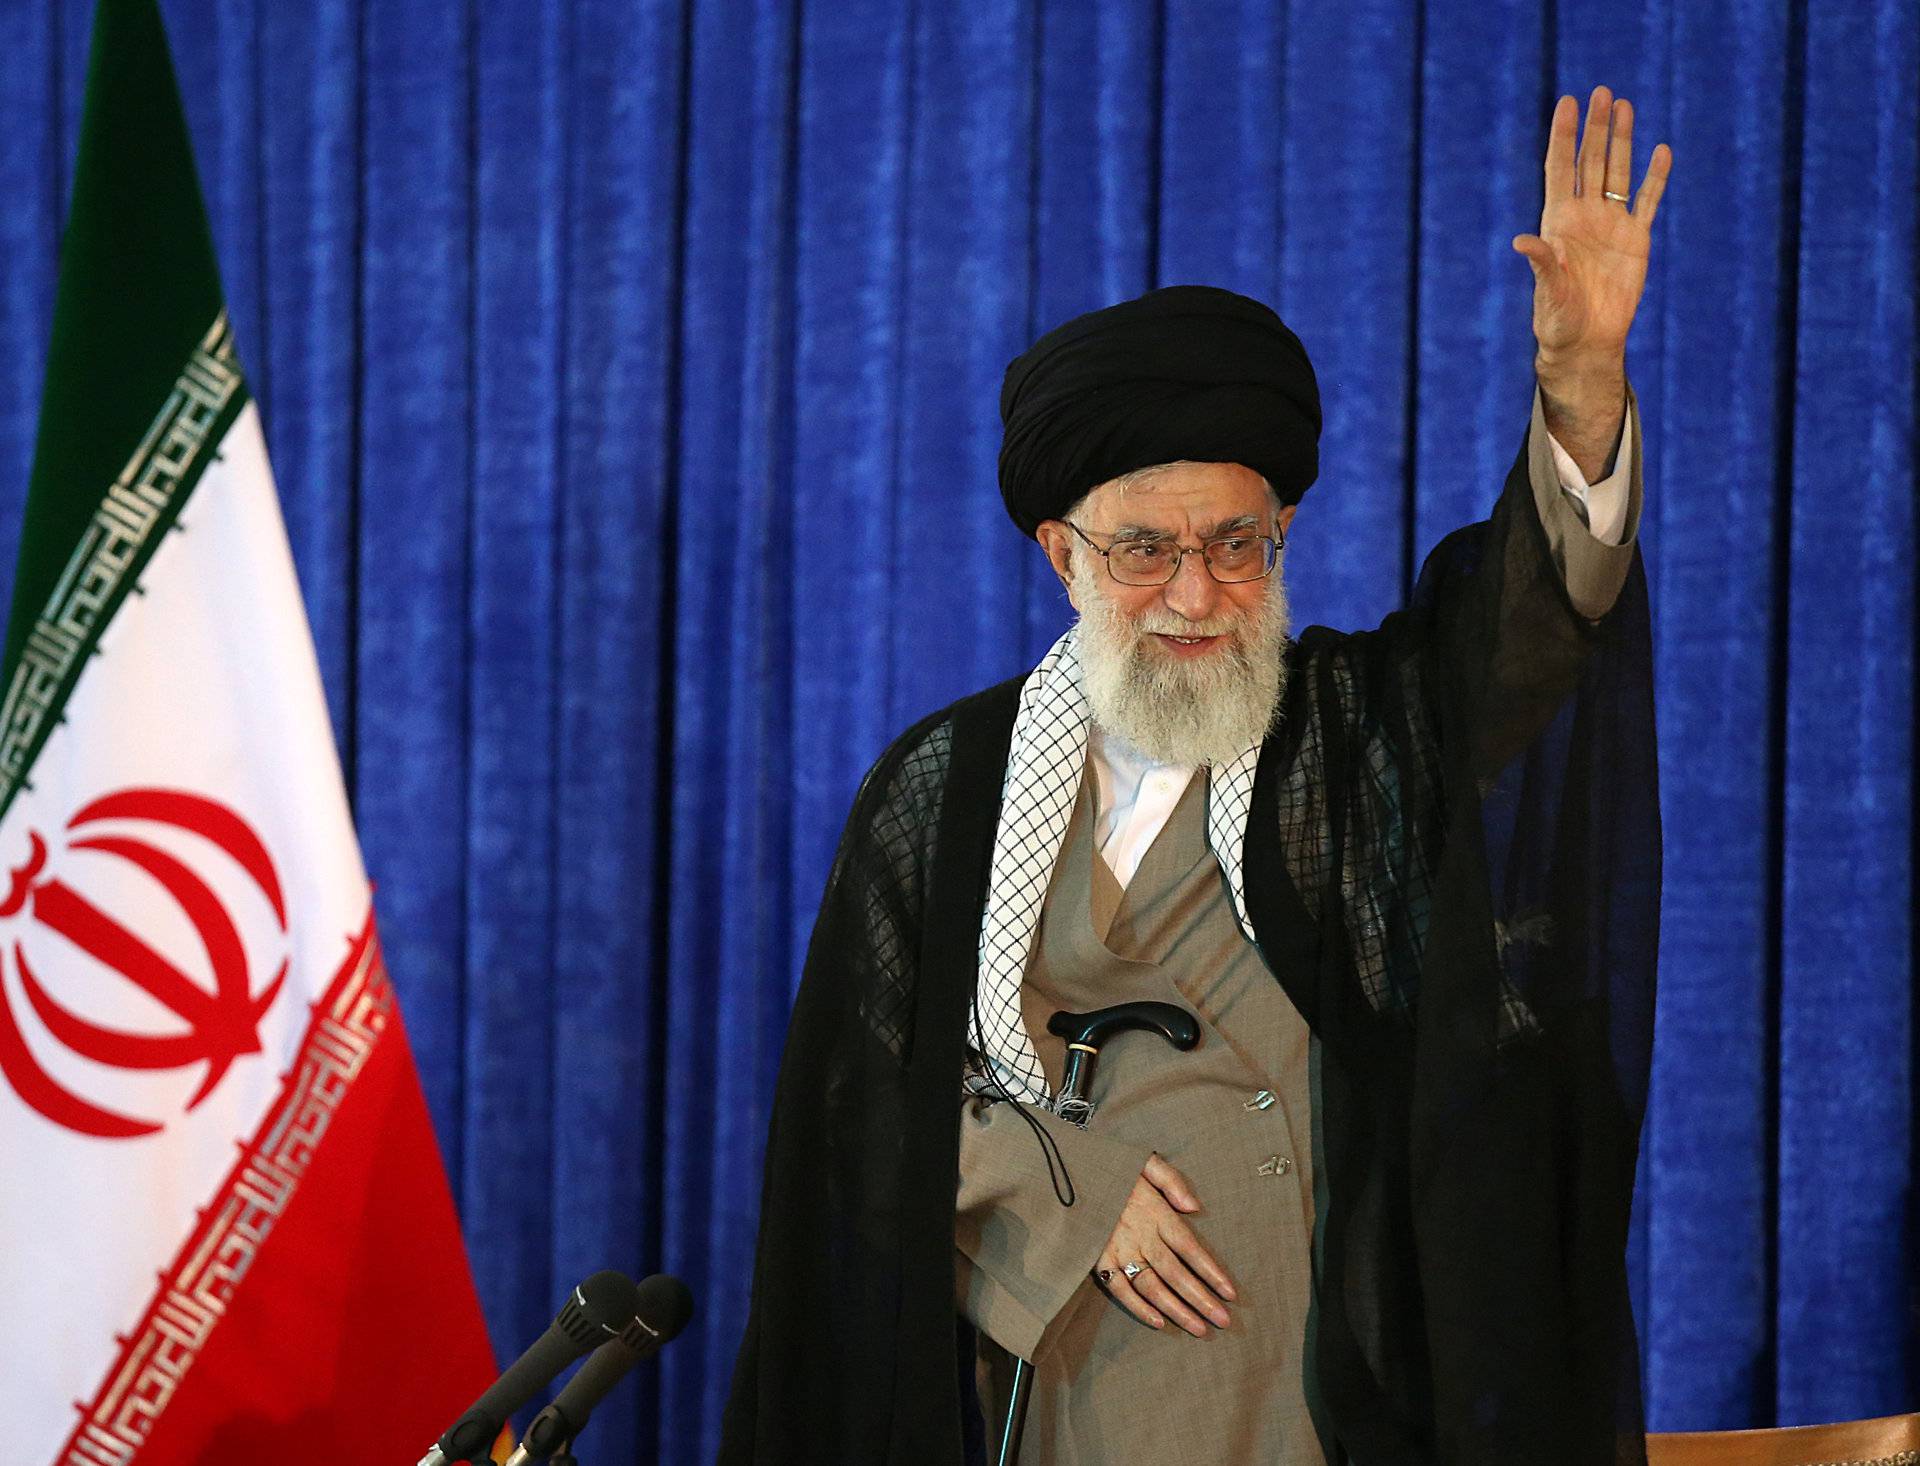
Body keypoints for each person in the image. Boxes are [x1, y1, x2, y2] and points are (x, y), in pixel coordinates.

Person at [720, 85, 1671, 1466]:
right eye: (1142, 551)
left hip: (1321, 1402)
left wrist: (1581, 389)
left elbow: (1523, 638)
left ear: (1281, 533)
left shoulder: (1357, 731)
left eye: (1236, 544)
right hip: (1070, 1406)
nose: (1196, 593)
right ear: (1062, 553)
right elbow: (858, 1116)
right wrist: (1068, 1199)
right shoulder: (947, 788)